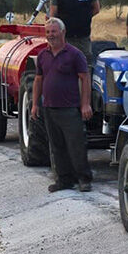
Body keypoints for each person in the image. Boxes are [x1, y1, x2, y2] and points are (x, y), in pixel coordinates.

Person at [30, 18, 93, 193]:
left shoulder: (75, 54)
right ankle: (64, 180)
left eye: (54, 31)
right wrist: (35, 104)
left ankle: (84, 179)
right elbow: (38, 80)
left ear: (63, 32)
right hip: (49, 108)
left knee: (76, 145)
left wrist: (85, 104)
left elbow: (85, 78)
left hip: (70, 109)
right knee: (57, 147)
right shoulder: (42, 55)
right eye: (48, 32)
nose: (51, 35)